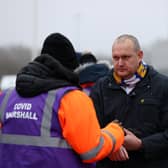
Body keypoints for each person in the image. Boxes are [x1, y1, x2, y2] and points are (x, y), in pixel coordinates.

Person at [0, 33, 125, 168]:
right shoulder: (72, 98)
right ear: (70, 68)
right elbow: (92, 150)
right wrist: (116, 131)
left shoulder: (6, 97)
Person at [90, 34, 168, 168]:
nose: (120, 63)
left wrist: (141, 145)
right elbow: (91, 130)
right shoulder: (100, 88)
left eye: (126, 57)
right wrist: (111, 145)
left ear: (140, 55)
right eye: (116, 58)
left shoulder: (162, 86)